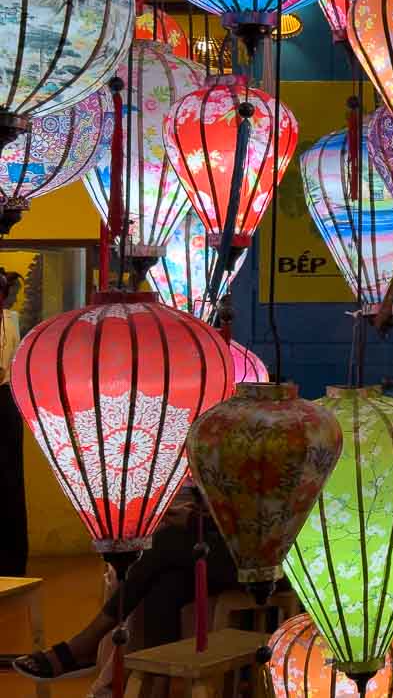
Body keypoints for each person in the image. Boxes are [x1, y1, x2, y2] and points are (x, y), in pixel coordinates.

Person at [12, 484, 239, 685]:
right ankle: (156, 689)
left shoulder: (265, 442)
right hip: (234, 546)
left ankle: (86, 644)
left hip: (264, 562)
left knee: (163, 543)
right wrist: (203, 514)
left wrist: (195, 521)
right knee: (164, 589)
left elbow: (267, 521)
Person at [0, 268, 26, 577]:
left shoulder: (6, 322)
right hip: (6, 404)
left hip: (2, 403)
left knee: (6, 481)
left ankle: (9, 562)